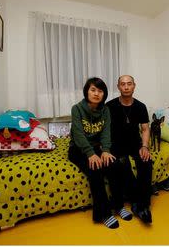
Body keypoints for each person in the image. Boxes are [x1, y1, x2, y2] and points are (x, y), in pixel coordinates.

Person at [69, 77, 132, 229]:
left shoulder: (105, 110)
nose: (96, 93)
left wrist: (105, 151)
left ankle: (118, 206)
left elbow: (105, 132)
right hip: (78, 148)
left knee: (114, 165)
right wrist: (91, 154)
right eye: (93, 90)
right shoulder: (76, 108)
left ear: (104, 94)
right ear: (87, 91)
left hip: (97, 147)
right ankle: (103, 213)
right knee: (95, 170)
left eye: (100, 91)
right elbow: (78, 135)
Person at [106, 75, 153, 224]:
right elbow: (105, 130)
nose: (126, 87)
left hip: (135, 144)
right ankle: (137, 203)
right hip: (116, 145)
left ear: (134, 86)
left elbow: (145, 129)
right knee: (123, 164)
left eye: (129, 84)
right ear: (118, 87)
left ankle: (143, 206)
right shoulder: (109, 106)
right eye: (123, 84)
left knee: (146, 162)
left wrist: (145, 146)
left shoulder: (140, 106)